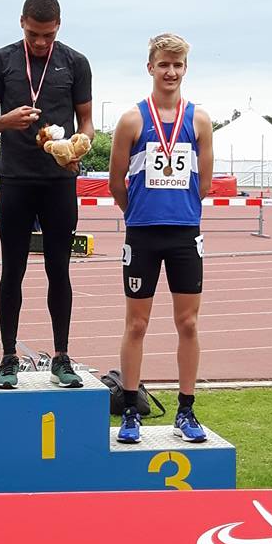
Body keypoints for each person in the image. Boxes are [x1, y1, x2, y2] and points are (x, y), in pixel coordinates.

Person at [0, 0, 94, 389]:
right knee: (12, 269)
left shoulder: (75, 62)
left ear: (58, 26)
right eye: (33, 34)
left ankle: (61, 357)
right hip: (16, 179)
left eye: (48, 35)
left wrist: (80, 146)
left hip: (59, 182)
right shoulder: (1, 61)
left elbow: (86, 123)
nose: (41, 42)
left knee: (59, 269)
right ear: (21, 23)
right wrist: (5, 121)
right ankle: (8, 357)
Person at [109, 33, 213, 444]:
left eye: (178, 65)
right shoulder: (132, 120)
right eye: (164, 64)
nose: (171, 72)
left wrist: (177, 208)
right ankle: (130, 410)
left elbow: (204, 184)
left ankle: (186, 410)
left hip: (185, 233)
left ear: (185, 68)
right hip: (143, 235)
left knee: (188, 322)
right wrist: (138, 213)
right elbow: (116, 183)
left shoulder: (199, 120)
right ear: (150, 67)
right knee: (137, 324)